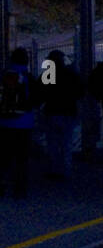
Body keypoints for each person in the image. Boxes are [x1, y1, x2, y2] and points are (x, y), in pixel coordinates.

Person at [0, 48, 36, 197]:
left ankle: (2, 185)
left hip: (4, 122)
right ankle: (20, 188)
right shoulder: (28, 78)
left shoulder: (3, 76)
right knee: (22, 158)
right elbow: (36, 99)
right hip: (24, 123)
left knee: (4, 157)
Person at [40, 49, 81, 179]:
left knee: (53, 143)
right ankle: (65, 169)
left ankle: (54, 169)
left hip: (52, 112)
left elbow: (41, 92)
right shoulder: (71, 74)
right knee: (66, 143)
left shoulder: (49, 75)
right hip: (68, 112)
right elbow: (80, 91)